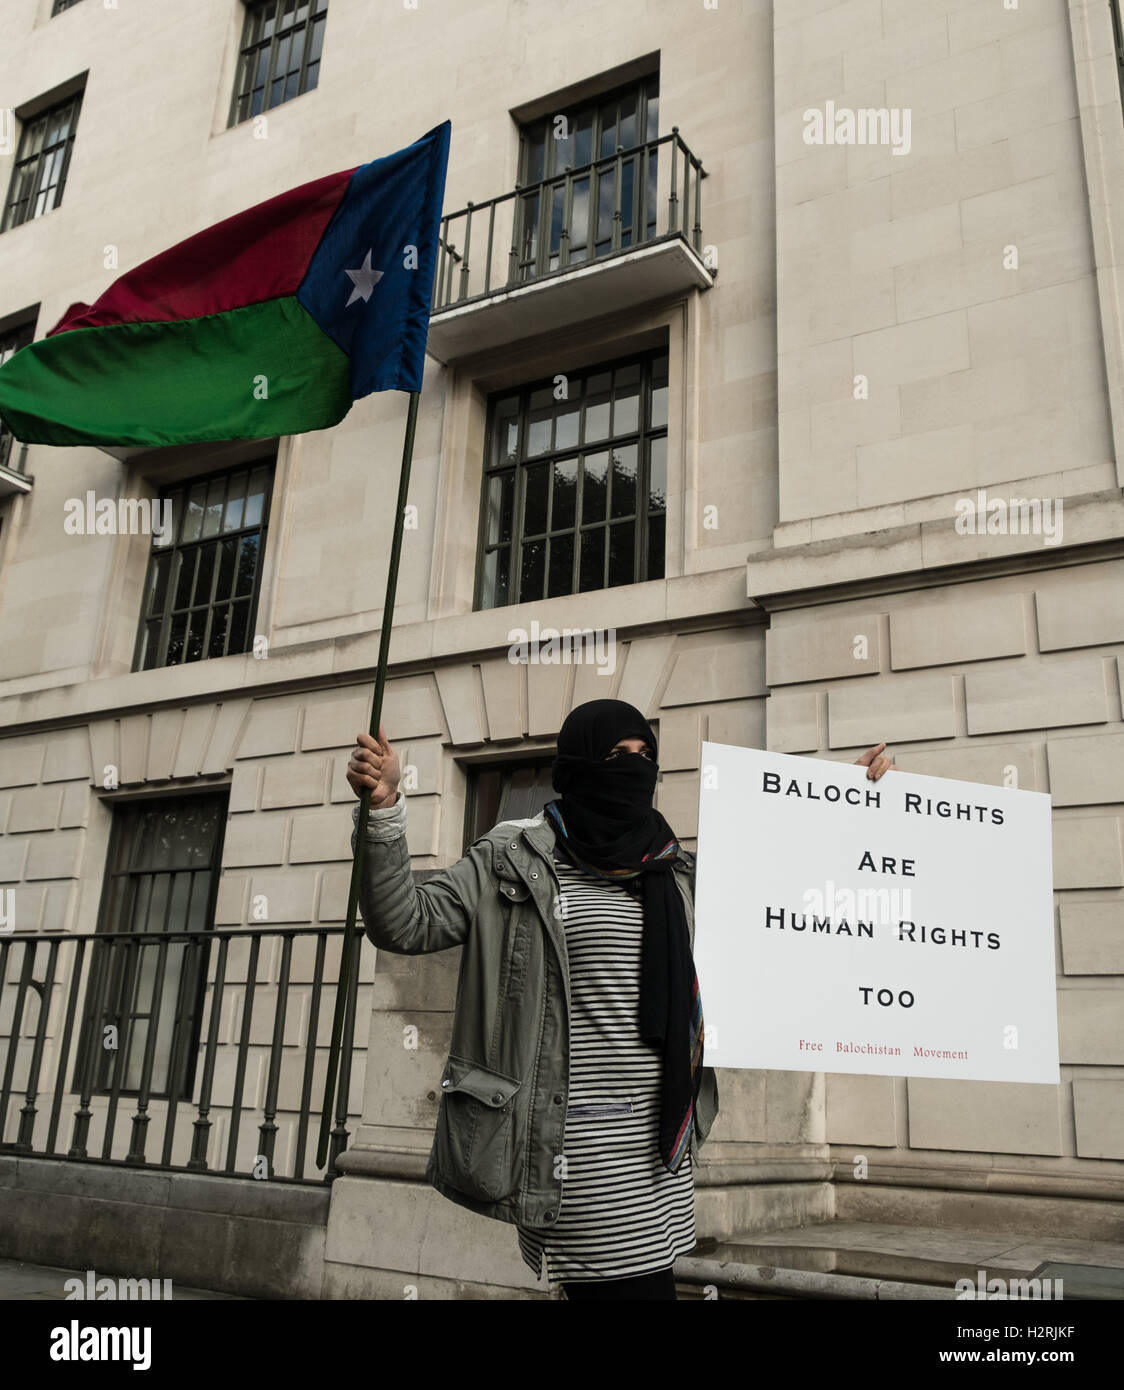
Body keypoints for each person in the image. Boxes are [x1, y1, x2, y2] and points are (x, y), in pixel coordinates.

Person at [347, 700, 895, 1301]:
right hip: (573, 1148)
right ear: (577, 764)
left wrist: (845, 801)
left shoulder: (673, 868)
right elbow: (404, 922)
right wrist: (385, 810)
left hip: (658, 1148)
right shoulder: (515, 857)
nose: (634, 768)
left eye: (644, 756)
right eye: (616, 755)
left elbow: (781, 890)